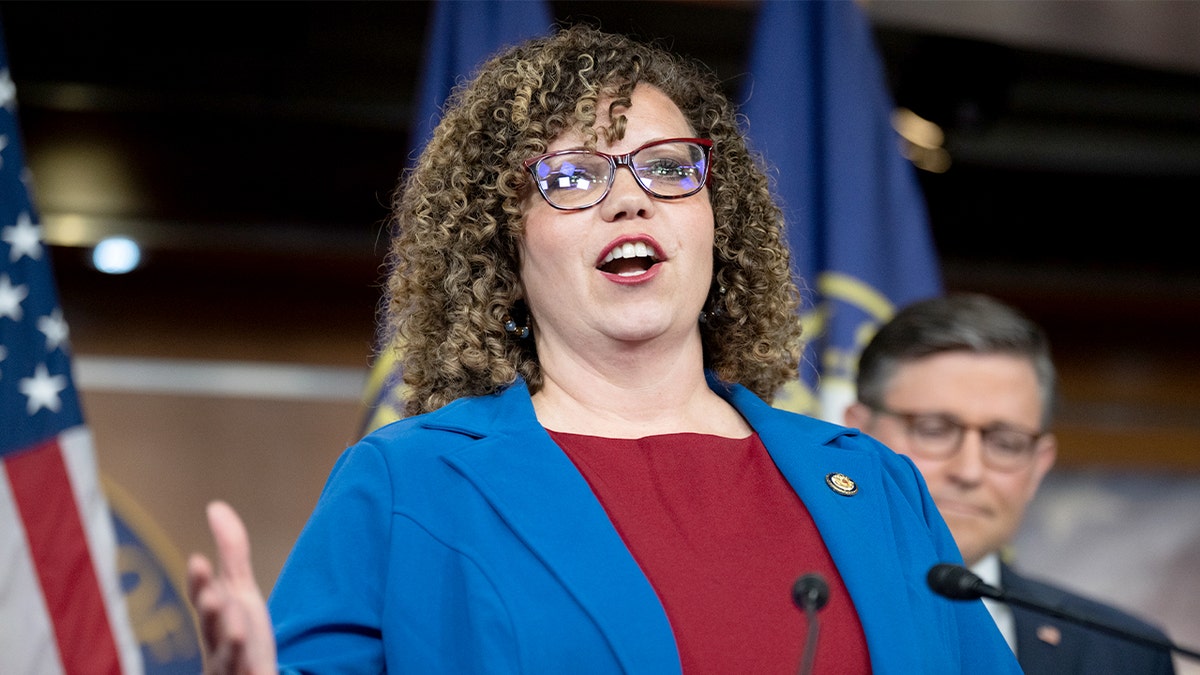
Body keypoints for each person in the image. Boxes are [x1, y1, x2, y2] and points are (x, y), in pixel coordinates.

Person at [187, 26, 1020, 674]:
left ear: (717, 217)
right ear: (501, 242)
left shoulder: (872, 484)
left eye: (666, 167)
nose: (630, 200)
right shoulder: (413, 483)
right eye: (575, 177)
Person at [845, 292, 1176, 674]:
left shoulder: (1124, 655)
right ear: (857, 434)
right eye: (933, 430)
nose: (969, 471)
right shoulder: (788, 612)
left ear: (1039, 465)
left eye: (1006, 442)